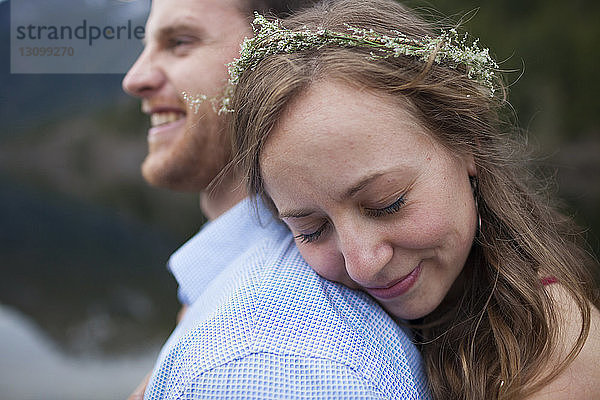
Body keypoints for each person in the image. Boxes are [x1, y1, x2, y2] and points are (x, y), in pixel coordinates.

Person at [227, 0, 600, 398]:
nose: (363, 266)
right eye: (312, 230)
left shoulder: (557, 360)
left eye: (388, 203)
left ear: (466, 143)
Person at [122, 0, 429, 398]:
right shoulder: (228, 307)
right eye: (312, 228)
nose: (134, 78)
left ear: (277, 54)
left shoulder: (262, 354)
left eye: (180, 42)